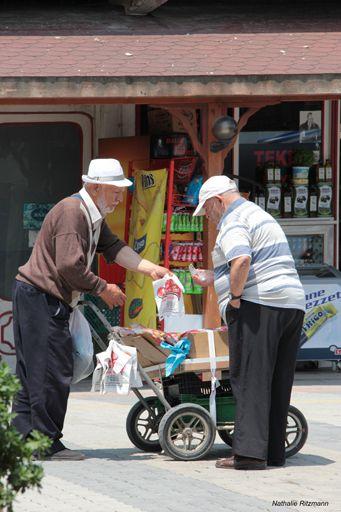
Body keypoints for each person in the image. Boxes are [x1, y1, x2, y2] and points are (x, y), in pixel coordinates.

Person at [12, 158, 169, 461]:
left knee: (34, 370)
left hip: (37, 296)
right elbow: (68, 265)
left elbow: (114, 248)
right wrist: (103, 288)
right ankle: (46, 443)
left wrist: (152, 270)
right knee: (50, 370)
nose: (118, 198)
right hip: (41, 297)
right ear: (95, 186)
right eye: (114, 191)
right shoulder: (73, 212)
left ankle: (22, 439)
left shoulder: (91, 214)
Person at [192, 175, 305, 470]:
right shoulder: (258, 213)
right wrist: (213, 278)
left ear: (218, 201)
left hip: (260, 305)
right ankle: (272, 452)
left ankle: (250, 455)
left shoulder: (233, 219)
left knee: (251, 378)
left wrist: (236, 297)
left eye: (207, 209)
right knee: (278, 380)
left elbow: (241, 260)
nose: (208, 217)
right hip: (291, 305)